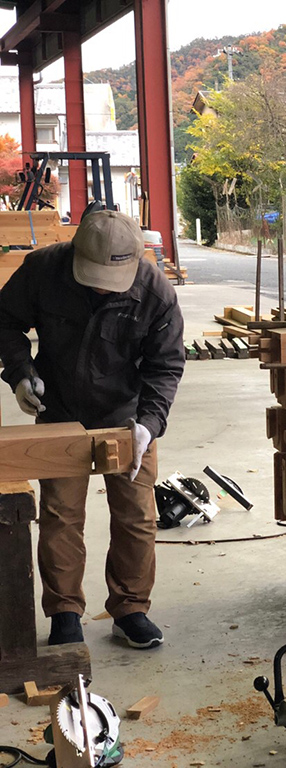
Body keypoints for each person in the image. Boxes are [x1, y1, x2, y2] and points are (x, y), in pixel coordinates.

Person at [0, 210, 185, 650]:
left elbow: (166, 366)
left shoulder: (155, 291)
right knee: (62, 514)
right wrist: (21, 374)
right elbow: (3, 321)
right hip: (61, 407)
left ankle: (131, 609)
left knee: (137, 516)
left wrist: (149, 424)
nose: (103, 285)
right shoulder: (44, 269)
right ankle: (65, 611)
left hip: (128, 414)